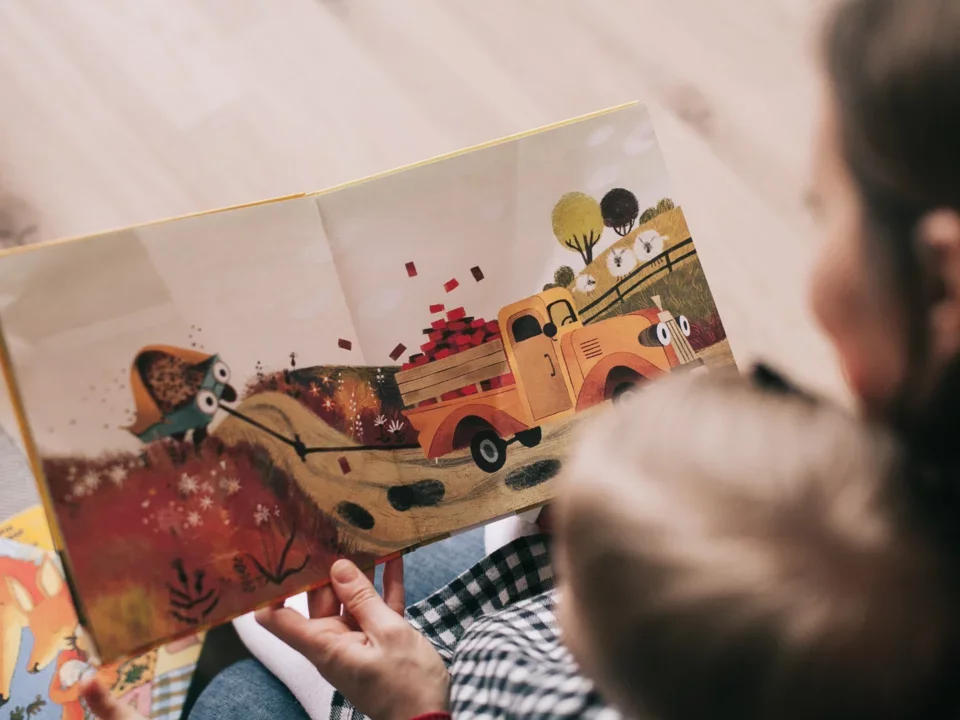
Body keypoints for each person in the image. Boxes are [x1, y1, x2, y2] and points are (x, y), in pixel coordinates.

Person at [81, 0, 960, 716]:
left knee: (235, 692)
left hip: (482, 684)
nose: (819, 265)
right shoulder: (892, 554)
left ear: (942, 279)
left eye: (824, 210)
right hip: (552, 631)